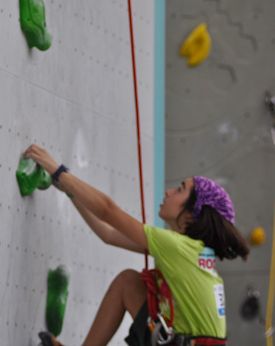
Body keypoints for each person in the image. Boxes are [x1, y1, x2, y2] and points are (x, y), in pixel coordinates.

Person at [23, 144, 249, 346]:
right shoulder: (192, 252)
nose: (169, 191)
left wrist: (58, 171)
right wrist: (70, 191)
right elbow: (109, 234)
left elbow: (108, 212)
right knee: (128, 283)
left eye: (180, 189)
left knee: (128, 282)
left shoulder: (178, 247)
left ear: (192, 215)